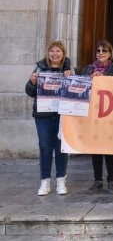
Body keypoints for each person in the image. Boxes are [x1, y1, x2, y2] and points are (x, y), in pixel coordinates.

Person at [25, 40, 72, 196]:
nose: (55, 54)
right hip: (43, 115)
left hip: (62, 115)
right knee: (45, 147)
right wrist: (32, 83)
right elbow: (30, 92)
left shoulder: (69, 70)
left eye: (58, 51)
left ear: (63, 54)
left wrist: (72, 78)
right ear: (48, 53)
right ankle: (45, 181)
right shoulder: (39, 68)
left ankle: (60, 180)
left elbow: (78, 91)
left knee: (61, 147)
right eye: (52, 51)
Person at [82, 40, 113, 194]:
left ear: (110, 53)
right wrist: (91, 79)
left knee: (110, 148)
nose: (101, 53)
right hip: (93, 114)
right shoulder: (87, 69)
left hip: (110, 114)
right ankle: (97, 180)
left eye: (104, 51)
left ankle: (111, 180)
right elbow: (81, 88)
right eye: (98, 51)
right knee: (96, 148)